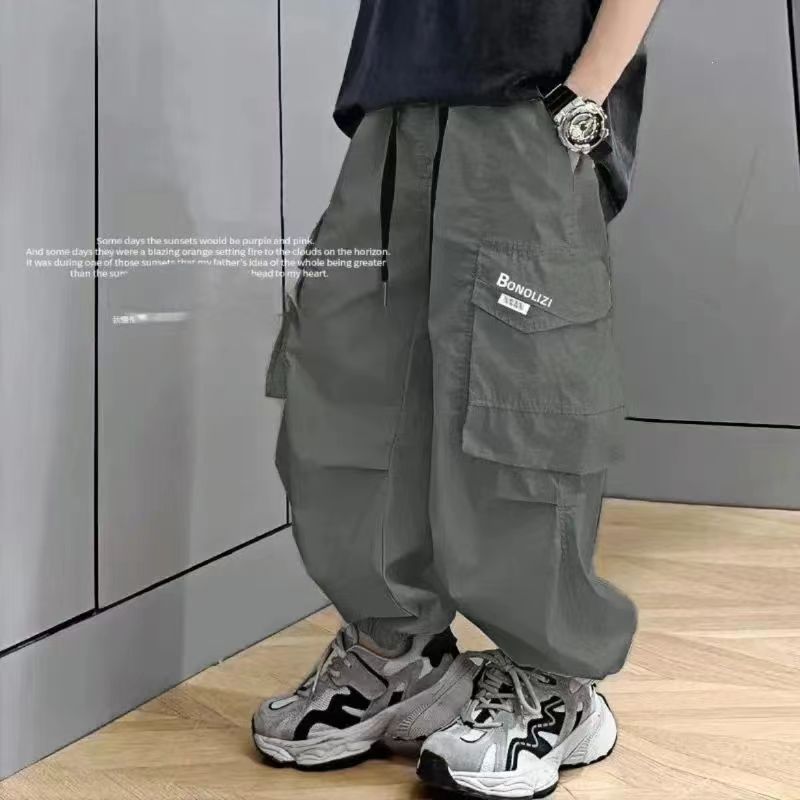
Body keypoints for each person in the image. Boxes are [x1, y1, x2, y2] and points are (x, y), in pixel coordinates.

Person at [254, 0, 661, 796]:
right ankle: (398, 655)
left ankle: (550, 682)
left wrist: (582, 99)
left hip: (531, 102)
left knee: (520, 401)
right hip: (395, 100)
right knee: (349, 380)